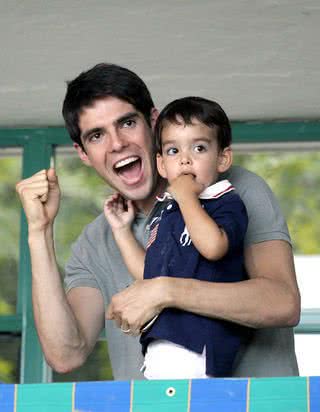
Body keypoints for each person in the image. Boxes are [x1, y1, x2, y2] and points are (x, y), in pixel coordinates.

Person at [16, 62, 300, 381]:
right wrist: (38, 232)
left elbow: (283, 303)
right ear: (83, 153)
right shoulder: (96, 242)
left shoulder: (235, 190)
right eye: (97, 135)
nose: (117, 144)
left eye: (126, 123)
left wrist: (166, 291)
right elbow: (65, 354)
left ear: (153, 122)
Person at [104, 96, 251, 379]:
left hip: (198, 343)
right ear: (161, 165)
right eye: (173, 151)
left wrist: (185, 197)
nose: (185, 159)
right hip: (161, 343)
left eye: (199, 148)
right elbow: (151, 273)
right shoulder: (167, 210)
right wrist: (122, 230)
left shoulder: (224, 200)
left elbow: (214, 247)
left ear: (222, 158)